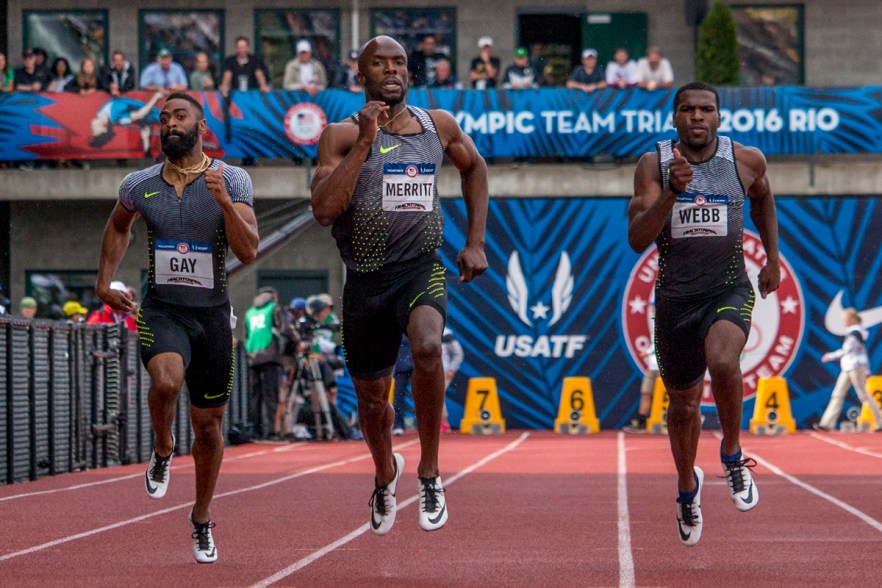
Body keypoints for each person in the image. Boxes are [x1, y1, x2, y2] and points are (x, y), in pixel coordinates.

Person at [310, 35, 488, 534]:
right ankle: (386, 471)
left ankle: (429, 471)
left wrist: (475, 241)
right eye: (379, 63)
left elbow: (474, 169)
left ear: (409, 73)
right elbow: (324, 210)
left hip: (419, 265)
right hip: (364, 279)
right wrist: (366, 142)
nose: (391, 70)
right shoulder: (340, 136)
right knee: (373, 401)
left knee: (428, 346)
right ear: (360, 75)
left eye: (400, 63)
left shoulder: (439, 125)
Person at [94, 91, 258, 563]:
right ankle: (163, 446)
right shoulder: (139, 184)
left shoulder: (234, 179)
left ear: (201, 126)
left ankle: (202, 518)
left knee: (208, 428)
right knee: (166, 380)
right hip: (163, 308)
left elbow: (248, 251)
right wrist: (104, 282)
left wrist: (224, 202)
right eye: (163, 117)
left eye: (179, 116)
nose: (168, 123)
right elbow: (118, 226)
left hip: (211, 315)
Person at [627, 81, 780, 546]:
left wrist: (772, 258)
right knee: (683, 407)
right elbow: (637, 237)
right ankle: (687, 488)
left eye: (706, 109)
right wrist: (672, 193)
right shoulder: (653, 164)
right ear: (674, 118)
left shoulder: (745, 160)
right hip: (675, 300)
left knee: (723, 360)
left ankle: (732, 455)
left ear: (719, 116)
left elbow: (764, 199)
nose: (697, 117)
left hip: (727, 288)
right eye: (688, 110)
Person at [814, 307, 882, 432]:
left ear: (851, 319)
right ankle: (827, 423)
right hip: (848, 368)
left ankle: (880, 421)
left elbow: (847, 350)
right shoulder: (854, 332)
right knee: (837, 394)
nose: (843, 321)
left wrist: (829, 356)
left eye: (844, 319)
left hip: (856, 367)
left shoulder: (855, 333)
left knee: (864, 396)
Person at [245, 286, 290, 440]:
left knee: (255, 396)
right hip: (269, 356)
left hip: (252, 356)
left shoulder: (249, 312)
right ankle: (271, 432)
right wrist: (297, 341)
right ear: (273, 296)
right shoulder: (273, 308)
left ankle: (256, 431)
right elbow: (285, 329)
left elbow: (247, 334)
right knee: (271, 395)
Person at [90, 91, 164, 157]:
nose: (92, 129)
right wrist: (156, 98)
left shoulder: (100, 112)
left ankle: (147, 151)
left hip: (150, 112)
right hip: (153, 114)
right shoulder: (116, 119)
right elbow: (140, 114)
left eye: (93, 131)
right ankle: (147, 152)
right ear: (104, 129)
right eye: (95, 132)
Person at [440, 327, 464, 432]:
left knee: (437, 395)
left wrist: (452, 369)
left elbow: (458, 353)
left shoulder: (447, 334)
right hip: (425, 371)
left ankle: (444, 422)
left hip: (443, 371)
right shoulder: (421, 329)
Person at [392, 337, 414, 436]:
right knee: (398, 396)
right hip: (401, 367)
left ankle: (425, 425)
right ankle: (398, 425)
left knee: (421, 396)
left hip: (417, 365)